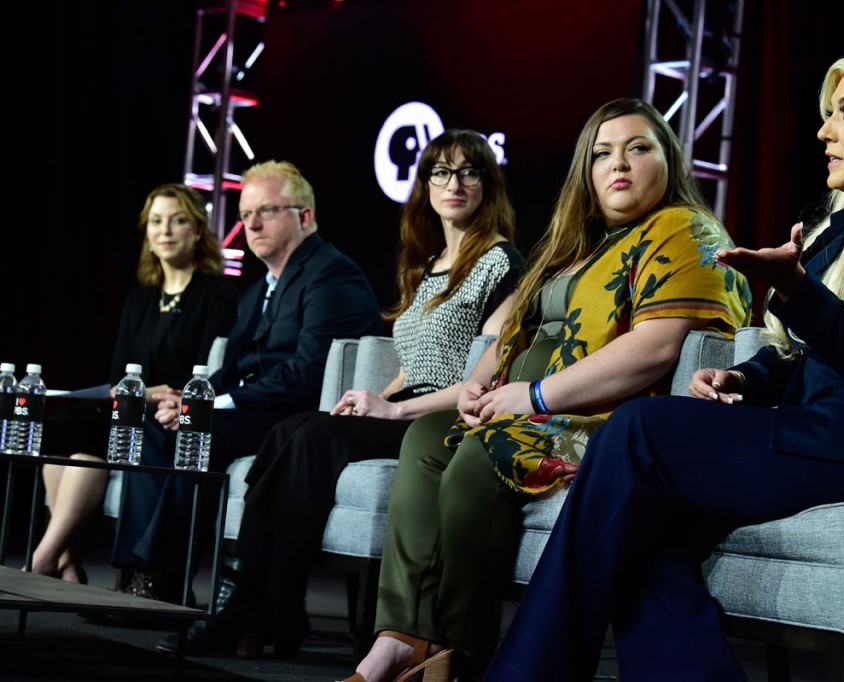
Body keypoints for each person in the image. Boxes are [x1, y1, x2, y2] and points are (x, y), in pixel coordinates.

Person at [483, 50, 844, 682]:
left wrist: (796, 288)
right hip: (820, 440)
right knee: (647, 523)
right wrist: (743, 378)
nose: (824, 132)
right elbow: (806, 358)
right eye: (828, 114)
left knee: (638, 430)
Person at [342, 98, 753, 682]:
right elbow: (514, 331)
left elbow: (656, 348)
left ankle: (458, 652)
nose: (619, 163)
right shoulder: (575, 244)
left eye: (638, 148)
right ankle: (401, 636)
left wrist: (533, 396)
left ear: (670, 161)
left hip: (604, 424)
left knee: (482, 454)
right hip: (528, 412)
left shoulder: (685, 230)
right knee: (427, 438)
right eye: (602, 153)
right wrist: (478, 383)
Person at [158, 129, 527, 657]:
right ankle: (257, 598)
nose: (455, 183)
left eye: (469, 172)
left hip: (441, 418)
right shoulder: (428, 266)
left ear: (488, 185)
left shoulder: (502, 263)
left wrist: (395, 409)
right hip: (405, 406)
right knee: (290, 430)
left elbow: (484, 378)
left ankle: (265, 604)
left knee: (313, 439)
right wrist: (371, 396)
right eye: (441, 172)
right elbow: (414, 364)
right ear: (425, 186)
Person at [113, 160, 384, 603]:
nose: (252, 225)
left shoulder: (331, 274)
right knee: (151, 425)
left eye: (267, 211)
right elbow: (234, 367)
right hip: (254, 410)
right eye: (245, 214)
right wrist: (192, 399)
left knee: (199, 429)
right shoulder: (260, 289)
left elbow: (307, 374)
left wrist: (211, 407)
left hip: (296, 420)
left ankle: (161, 584)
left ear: (305, 216)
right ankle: (137, 575)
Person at [30, 183, 239, 584]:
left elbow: (204, 376)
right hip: (129, 407)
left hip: (166, 415)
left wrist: (149, 392)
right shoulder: (140, 299)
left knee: (94, 437)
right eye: (156, 222)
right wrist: (141, 391)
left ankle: (45, 560)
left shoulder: (219, 294)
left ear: (198, 230)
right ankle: (65, 561)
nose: (165, 231)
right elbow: (118, 379)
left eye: (178, 221)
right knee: (65, 428)